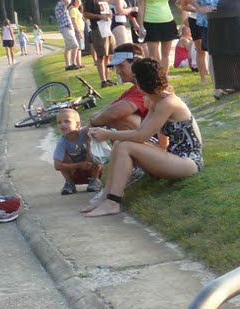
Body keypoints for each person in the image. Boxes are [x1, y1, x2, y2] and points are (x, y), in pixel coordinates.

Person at [84, 58, 202, 217]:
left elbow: (141, 136)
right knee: (120, 142)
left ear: (140, 83)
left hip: (188, 161)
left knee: (125, 145)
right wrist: (112, 135)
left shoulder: (167, 102)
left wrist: (107, 134)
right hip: (174, 155)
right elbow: (141, 131)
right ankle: (105, 197)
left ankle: (113, 202)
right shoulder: (155, 100)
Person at [180, 0, 229, 86]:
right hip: (208, 20)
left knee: (222, 50)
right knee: (210, 51)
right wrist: (198, 7)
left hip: (222, 17)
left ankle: (224, 78)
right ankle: (216, 82)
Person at [139, 0, 182, 74]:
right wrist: (141, 25)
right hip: (151, 22)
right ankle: (157, 77)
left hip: (167, 21)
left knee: (166, 54)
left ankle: (164, 78)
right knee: (154, 55)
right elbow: (141, 6)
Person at [52, 107, 103, 197]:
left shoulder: (85, 133)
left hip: (91, 169)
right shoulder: (62, 142)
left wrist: (93, 120)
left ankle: (95, 180)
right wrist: (79, 165)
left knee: (94, 149)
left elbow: (93, 125)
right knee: (62, 157)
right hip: (75, 173)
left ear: (78, 124)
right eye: (59, 122)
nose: (62, 124)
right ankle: (69, 183)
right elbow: (57, 165)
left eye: (67, 121)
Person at [83, 0, 116, 85]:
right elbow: (86, 14)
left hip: (107, 29)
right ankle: (103, 80)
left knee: (108, 54)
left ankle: (107, 78)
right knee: (101, 55)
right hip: (98, 29)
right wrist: (100, 17)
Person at [54, 0, 82, 71]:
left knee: (68, 48)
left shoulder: (62, 6)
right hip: (66, 28)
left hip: (67, 28)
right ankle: (73, 64)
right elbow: (67, 1)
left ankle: (67, 65)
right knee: (75, 46)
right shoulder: (60, 4)